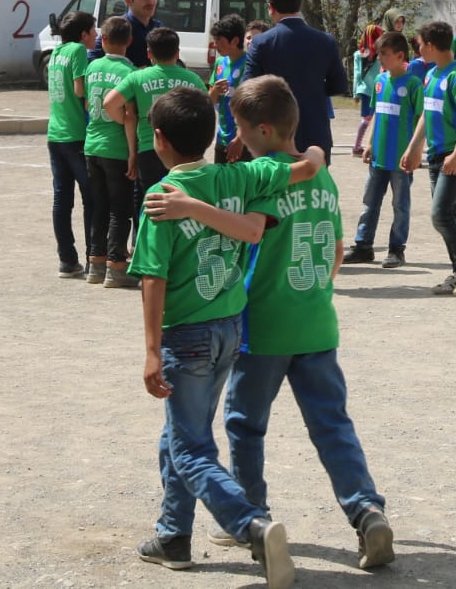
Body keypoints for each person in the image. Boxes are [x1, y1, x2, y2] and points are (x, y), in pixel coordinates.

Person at [146, 76, 394, 572]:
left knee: (243, 424)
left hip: (263, 324)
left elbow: (249, 229)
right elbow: (337, 250)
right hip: (318, 320)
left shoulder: (259, 174)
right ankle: (366, 510)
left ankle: (251, 519)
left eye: (239, 127)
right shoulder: (318, 175)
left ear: (260, 129)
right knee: (332, 425)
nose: (234, 137)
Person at [127, 84, 323, 586]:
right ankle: (173, 535)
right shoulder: (243, 176)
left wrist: (151, 351)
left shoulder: (163, 197)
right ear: (217, 133)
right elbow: (306, 167)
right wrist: (317, 148)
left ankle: (250, 524)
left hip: (186, 336)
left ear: (160, 140)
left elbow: (153, 278)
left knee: (190, 445)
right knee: (182, 433)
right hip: (228, 330)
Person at [401, 20, 456, 297]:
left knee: (439, 215)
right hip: (435, 155)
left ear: (432, 46)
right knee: (448, 215)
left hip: (455, 155)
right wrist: (413, 148)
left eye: (420, 45)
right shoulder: (431, 75)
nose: (419, 49)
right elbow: (426, 114)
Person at [105, 26, 207, 228]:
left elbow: (109, 103)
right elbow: (205, 109)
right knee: (181, 198)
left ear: (149, 52)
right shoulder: (192, 79)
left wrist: (123, 119)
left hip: (149, 148)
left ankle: (142, 244)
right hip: (183, 150)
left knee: (150, 200)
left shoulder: (138, 77)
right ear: (178, 53)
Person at [237, 0, 347, 161]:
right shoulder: (325, 41)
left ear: (270, 7)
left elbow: (248, 90)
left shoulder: (261, 43)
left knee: (275, 188)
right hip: (316, 134)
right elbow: (339, 85)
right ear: (300, 4)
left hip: (274, 136)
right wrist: (313, 87)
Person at [344, 31, 423, 267]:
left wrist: (415, 151)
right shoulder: (380, 82)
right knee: (370, 202)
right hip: (379, 157)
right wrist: (369, 143)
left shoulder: (413, 84)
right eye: (379, 54)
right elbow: (378, 114)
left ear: (400, 56)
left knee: (400, 205)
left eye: (385, 54)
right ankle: (363, 246)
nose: (381, 58)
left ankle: (396, 249)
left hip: (401, 160)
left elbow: (422, 118)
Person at [84, 16, 138, 288]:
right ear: (129, 41)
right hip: (116, 147)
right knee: (120, 209)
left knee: (99, 207)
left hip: (92, 144)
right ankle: (116, 267)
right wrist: (133, 153)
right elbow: (129, 115)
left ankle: (95, 263)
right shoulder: (129, 73)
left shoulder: (93, 66)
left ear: (102, 40)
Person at [46, 10, 98, 279]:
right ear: (83, 34)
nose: (97, 35)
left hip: (55, 133)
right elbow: (80, 90)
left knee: (62, 200)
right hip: (76, 134)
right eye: (94, 30)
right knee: (91, 197)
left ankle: (67, 259)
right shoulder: (78, 51)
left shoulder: (57, 52)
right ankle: (93, 259)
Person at [89, 0, 163, 67]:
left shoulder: (159, 27)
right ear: (128, 1)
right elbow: (92, 58)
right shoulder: (118, 27)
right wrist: (127, 73)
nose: (151, 2)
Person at [208, 15, 249, 165]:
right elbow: (210, 100)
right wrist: (214, 92)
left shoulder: (249, 64)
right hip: (222, 137)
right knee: (221, 185)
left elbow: (253, 107)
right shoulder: (220, 63)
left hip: (243, 139)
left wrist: (240, 139)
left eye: (219, 40)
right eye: (215, 39)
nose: (215, 44)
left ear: (235, 41)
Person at [350, 21, 382, 158]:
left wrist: (356, 93)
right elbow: (358, 74)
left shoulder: (359, 54)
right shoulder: (381, 54)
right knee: (372, 119)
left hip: (366, 90)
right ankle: (359, 147)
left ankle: (360, 146)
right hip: (377, 90)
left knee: (368, 119)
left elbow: (357, 74)